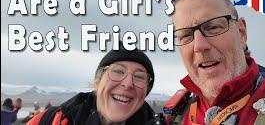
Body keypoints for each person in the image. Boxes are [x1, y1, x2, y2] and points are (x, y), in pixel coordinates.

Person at [27, 41, 165, 125]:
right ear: (98, 82)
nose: (128, 84)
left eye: (139, 77)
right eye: (118, 71)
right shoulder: (48, 121)